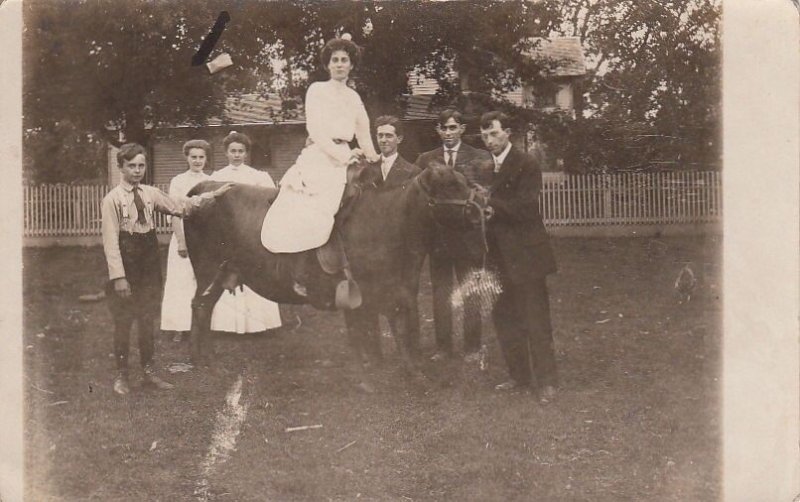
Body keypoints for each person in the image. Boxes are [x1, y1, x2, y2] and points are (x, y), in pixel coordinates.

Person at [102, 143, 231, 395]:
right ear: (121, 167)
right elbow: (110, 242)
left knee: (147, 318)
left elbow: (181, 206)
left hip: (148, 262)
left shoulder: (150, 194)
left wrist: (212, 195)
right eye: (131, 166)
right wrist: (119, 277)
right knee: (124, 320)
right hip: (126, 264)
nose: (137, 171)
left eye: (141, 165)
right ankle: (122, 375)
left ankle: (149, 372)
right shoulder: (112, 200)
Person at [261, 35, 379, 255]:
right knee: (316, 205)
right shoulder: (317, 90)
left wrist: (373, 156)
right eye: (335, 60)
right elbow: (315, 129)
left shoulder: (354, 97)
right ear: (327, 65)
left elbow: (363, 131)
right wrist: (343, 157)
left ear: (352, 64)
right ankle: (303, 260)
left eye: (344, 60)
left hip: (346, 153)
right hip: (320, 154)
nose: (340, 64)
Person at [478, 111, 558, 403]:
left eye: (494, 134)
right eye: (485, 135)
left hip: (526, 255)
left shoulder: (526, 164)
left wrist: (492, 205)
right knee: (505, 318)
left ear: (507, 133)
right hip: (497, 256)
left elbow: (526, 207)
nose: (489, 140)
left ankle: (547, 381)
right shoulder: (486, 169)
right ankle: (519, 376)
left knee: (535, 319)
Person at [415, 109, 493, 362]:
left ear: (461, 129)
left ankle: (472, 347)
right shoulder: (426, 160)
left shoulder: (479, 157)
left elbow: (486, 193)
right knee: (441, 292)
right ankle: (443, 347)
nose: (448, 133)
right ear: (437, 130)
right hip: (438, 238)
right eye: (443, 128)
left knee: (470, 291)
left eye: (453, 128)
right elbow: (417, 195)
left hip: (468, 237)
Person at [209, 131, 283, 335]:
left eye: (241, 151)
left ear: (246, 153)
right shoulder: (217, 177)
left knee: (254, 270)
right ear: (226, 152)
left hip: (251, 234)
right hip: (227, 235)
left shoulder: (257, 177)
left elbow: (269, 204)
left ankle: (258, 324)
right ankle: (225, 326)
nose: (237, 155)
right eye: (233, 151)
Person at [160, 140, 212, 342]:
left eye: (201, 157)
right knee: (180, 281)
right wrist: (181, 241)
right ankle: (179, 327)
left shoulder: (211, 180)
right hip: (183, 234)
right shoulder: (178, 181)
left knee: (203, 281)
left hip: (205, 238)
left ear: (206, 159)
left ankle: (202, 326)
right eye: (193, 157)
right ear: (186, 158)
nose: (197, 161)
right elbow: (174, 212)